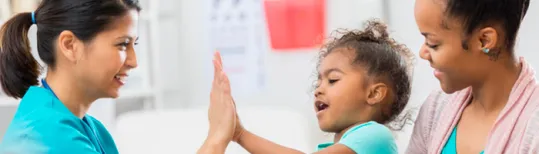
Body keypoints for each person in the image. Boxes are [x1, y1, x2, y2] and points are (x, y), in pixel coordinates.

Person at [199, 19, 415, 154]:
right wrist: (238, 133)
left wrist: (241, 135)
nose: (318, 89)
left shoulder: (375, 136)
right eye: (318, 81)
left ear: (374, 93)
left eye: (333, 80)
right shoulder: (346, 145)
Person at [0, 0, 140, 153]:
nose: (134, 62)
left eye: (134, 44)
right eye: (123, 44)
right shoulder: (49, 138)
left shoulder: (90, 129)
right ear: (69, 45)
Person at [406, 0, 539, 154]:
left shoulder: (534, 130)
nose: (422, 53)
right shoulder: (435, 109)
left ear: (484, 40)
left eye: (433, 43)